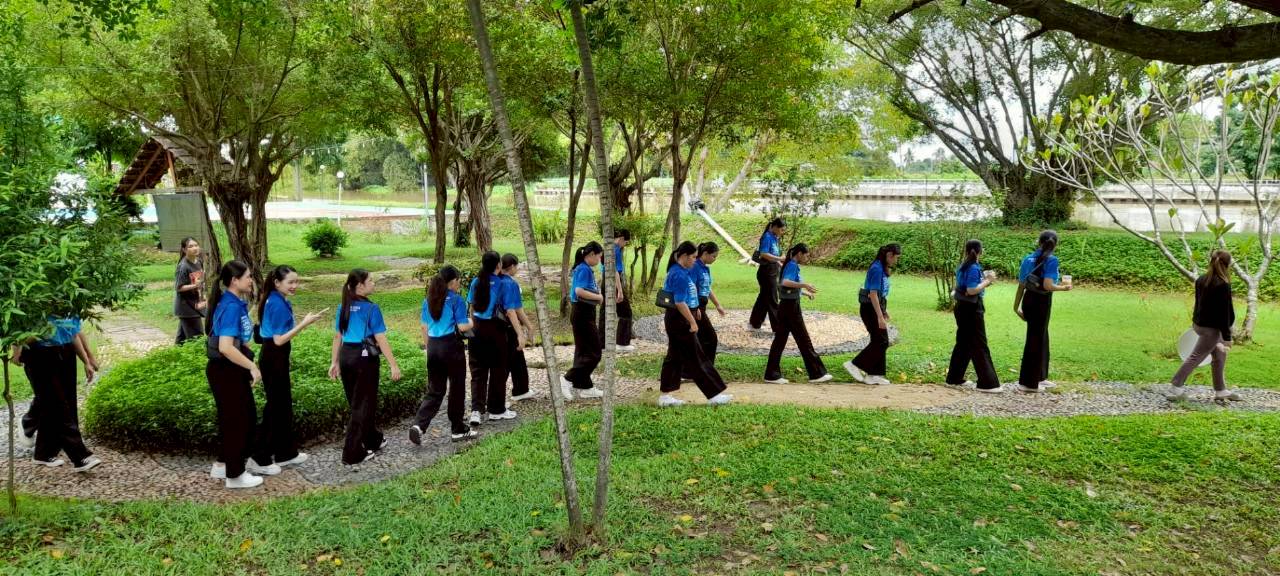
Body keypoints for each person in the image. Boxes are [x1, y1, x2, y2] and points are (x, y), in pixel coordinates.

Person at [250, 265, 324, 471]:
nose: (294, 286)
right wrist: (305, 323)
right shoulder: (277, 304)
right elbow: (279, 340)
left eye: (296, 281)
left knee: (283, 407)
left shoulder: (275, 299)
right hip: (274, 356)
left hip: (275, 357)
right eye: (290, 282)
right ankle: (259, 458)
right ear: (277, 283)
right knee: (275, 408)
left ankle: (285, 453)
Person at [206, 260, 272, 488]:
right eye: (248, 277)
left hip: (229, 368)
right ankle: (235, 476)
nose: (251, 280)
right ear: (235, 280)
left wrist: (247, 356)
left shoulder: (233, 302)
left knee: (238, 418)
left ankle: (222, 465)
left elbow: (236, 340)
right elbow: (225, 347)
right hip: (226, 370)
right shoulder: (231, 306)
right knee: (239, 422)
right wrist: (252, 367)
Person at [328, 269, 401, 466]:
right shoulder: (371, 308)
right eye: (371, 280)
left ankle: (372, 439)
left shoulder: (343, 306)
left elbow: (338, 336)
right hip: (364, 359)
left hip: (346, 356)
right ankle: (351, 453)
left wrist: (334, 362)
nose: (374, 283)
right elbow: (380, 338)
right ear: (360, 285)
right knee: (362, 405)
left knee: (358, 402)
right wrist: (393, 365)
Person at [15, 315, 101, 473]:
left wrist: (87, 359)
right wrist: (18, 349)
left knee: (62, 402)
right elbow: (19, 333)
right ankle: (80, 457)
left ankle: (43, 451)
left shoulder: (69, 307)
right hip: (38, 355)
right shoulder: (38, 308)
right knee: (57, 406)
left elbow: (74, 333)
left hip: (63, 352)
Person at [657, 241, 732, 407]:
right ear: (684, 256)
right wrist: (692, 322)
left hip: (679, 317)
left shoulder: (680, 270)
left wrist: (695, 307)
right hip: (679, 319)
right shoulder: (679, 274)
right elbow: (679, 302)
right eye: (693, 257)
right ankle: (714, 395)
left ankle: (664, 396)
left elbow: (689, 294)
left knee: (674, 357)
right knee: (696, 357)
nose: (694, 260)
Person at [412, 265, 479, 444]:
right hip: (451, 347)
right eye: (458, 281)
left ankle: (418, 425)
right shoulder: (456, 300)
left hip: (433, 347)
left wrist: (430, 349)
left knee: (435, 390)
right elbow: (462, 326)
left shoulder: (428, 300)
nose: (459, 284)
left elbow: (424, 327)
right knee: (456, 388)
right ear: (453, 281)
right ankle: (457, 429)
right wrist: (472, 321)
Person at [1167, 250, 1241, 402]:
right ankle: (1176, 386)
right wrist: (1227, 337)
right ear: (1227, 265)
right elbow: (1224, 313)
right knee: (1196, 356)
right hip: (1211, 330)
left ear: (1211, 262)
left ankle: (1220, 390)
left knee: (1220, 353)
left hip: (1200, 325)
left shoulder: (1201, 279)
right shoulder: (1223, 284)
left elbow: (1198, 304)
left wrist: (1195, 322)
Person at [763, 244, 833, 385]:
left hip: (786, 306)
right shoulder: (792, 265)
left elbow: (788, 286)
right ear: (799, 253)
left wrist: (805, 293)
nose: (807, 258)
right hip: (790, 308)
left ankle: (771, 374)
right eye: (806, 255)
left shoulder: (790, 264)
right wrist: (804, 285)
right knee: (804, 340)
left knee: (780, 341)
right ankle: (816, 373)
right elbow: (785, 282)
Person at [1013, 230, 1072, 393]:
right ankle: (1029, 383)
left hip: (1028, 300)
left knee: (1041, 337)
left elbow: (1021, 285)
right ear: (1055, 244)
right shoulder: (1052, 260)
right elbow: (1048, 285)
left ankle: (1040, 377)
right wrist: (1064, 288)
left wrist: (1016, 306)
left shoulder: (1028, 259)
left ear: (1038, 242)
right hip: (1041, 302)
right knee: (1036, 340)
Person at [945, 240, 1003, 393]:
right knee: (979, 343)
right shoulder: (973, 268)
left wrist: (983, 281)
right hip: (972, 309)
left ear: (966, 251)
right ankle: (987, 383)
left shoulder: (962, 266)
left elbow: (966, 286)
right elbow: (971, 290)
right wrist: (988, 281)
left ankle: (954, 378)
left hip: (961, 307)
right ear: (980, 251)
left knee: (963, 342)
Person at [467, 251, 515, 426]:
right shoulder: (503, 283)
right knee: (498, 369)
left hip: (477, 328)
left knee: (478, 371)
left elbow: (471, 307)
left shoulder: (476, 281)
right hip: (496, 330)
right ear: (498, 265)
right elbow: (510, 311)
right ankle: (496, 409)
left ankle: (476, 410)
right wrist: (521, 332)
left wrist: (474, 326)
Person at [845, 244, 901, 386]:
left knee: (879, 340)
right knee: (882, 341)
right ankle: (854, 364)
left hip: (875, 307)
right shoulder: (876, 268)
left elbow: (880, 294)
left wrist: (884, 310)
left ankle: (874, 375)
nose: (896, 261)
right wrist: (880, 316)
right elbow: (873, 294)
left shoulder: (880, 267)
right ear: (889, 255)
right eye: (896, 258)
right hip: (870, 309)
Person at [560, 242, 606, 400]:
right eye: (599, 256)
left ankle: (585, 387)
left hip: (583, 313)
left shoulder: (583, 268)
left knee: (583, 352)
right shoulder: (584, 269)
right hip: (582, 313)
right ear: (591, 254)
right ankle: (567, 379)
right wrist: (599, 297)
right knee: (595, 352)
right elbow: (579, 291)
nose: (599, 260)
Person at [499, 254, 536, 402]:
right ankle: (496, 398)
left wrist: (528, 327)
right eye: (517, 266)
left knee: (516, 358)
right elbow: (514, 310)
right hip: (508, 325)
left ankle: (521, 389)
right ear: (512, 266)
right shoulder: (510, 284)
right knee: (509, 359)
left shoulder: (494, 281)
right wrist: (523, 331)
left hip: (493, 326)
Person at [687, 242, 727, 372]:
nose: (715, 259)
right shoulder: (695, 267)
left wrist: (718, 305)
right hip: (696, 305)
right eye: (713, 256)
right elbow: (691, 287)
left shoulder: (705, 268)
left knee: (699, 338)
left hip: (702, 305)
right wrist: (695, 307)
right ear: (705, 253)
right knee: (710, 338)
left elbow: (707, 288)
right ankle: (706, 370)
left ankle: (694, 369)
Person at [599, 230, 635, 352]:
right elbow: (614, 271)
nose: (625, 244)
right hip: (613, 281)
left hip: (605, 280)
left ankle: (602, 343)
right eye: (626, 242)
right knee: (626, 312)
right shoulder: (616, 250)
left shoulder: (607, 248)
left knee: (605, 311)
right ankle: (622, 343)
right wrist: (620, 290)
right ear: (621, 238)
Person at [748, 218, 786, 332]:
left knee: (764, 298)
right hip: (767, 273)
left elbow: (773, 256)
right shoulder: (767, 237)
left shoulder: (774, 238)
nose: (782, 232)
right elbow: (764, 254)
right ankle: (778, 327)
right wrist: (780, 258)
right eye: (782, 230)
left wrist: (780, 264)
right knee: (773, 299)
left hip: (772, 270)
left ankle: (755, 322)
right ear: (775, 227)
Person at [174, 237, 207, 344]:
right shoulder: (183, 266)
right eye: (190, 246)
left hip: (195, 303)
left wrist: (202, 293)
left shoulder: (199, 261)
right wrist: (195, 286)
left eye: (196, 245)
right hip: (186, 307)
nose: (195, 248)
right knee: (197, 338)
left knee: (181, 341)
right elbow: (178, 288)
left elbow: (200, 280)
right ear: (184, 250)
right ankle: (198, 354)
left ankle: (175, 353)